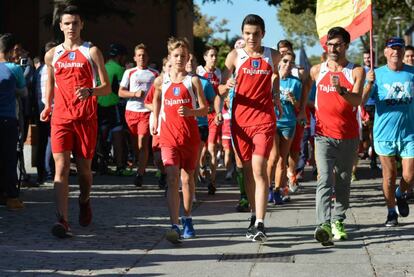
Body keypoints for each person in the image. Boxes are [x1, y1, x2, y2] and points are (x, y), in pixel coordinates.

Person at [40, 5, 110, 238]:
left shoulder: (92, 52)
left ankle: (84, 199)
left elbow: (107, 88)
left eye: (75, 23)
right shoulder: (52, 55)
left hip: (85, 118)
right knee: (60, 169)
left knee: (84, 172)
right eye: (67, 23)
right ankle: (63, 221)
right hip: (61, 118)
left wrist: (90, 91)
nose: (71, 27)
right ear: (60, 26)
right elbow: (50, 82)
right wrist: (47, 106)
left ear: (82, 25)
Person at [219, 14, 281, 242]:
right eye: (247, 33)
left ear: (263, 34)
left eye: (255, 34)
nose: (251, 38)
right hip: (239, 122)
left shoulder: (272, 55)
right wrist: (226, 86)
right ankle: (254, 216)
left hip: (264, 120)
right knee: (246, 170)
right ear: (242, 34)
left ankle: (262, 224)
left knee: (258, 167)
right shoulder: (235, 56)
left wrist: (275, 95)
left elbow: (275, 76)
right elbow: (220, 88)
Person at [310, 27, 365, 245]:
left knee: (342, 181)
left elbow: (357, 100)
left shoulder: (355, 71)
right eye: (329, 44)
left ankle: (338, 220)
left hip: (348, 136)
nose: (333, 48)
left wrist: (342, 90)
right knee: (324, 178)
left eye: (338, 44)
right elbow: (307, 96)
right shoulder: (317, 71)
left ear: (346, 46)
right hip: (323, 136)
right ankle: (323, 223)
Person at [152, 37, 208, 243]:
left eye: (183, 56)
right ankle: (174, 224)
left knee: (187, 179)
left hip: (189, 137)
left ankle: (188, 218)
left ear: (188, 58)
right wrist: (155, 119)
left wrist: (191, 111)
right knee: (172, 177)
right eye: (176, 56)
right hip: (168, 137)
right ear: (169, 57)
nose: (179, 59)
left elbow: (205, 108)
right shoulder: (161, 80)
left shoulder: (192, 81)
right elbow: (155, 99)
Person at [362, 37, 414, 227]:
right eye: (392, 48)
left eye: (399, 48)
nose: (396, 52)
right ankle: (391, 212)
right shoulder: (377, 75)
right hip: (385, 134)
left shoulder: (412, 73)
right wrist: (368, 84)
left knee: (409, 175)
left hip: (409, 133)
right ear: (385, 52)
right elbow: (361, 100)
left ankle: (400, 194)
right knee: (389, 175)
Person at [119, 43, 158, 187]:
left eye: (144, 55)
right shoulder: (129, 72)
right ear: (135, 57)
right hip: (131, 111)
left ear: (147, 57)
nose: (142, 57)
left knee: (143, 144)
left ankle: (140, 174)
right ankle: (139, 164)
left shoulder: (155, 74)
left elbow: (159, 92)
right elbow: (120, 92)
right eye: (139, 55)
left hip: (147, 112)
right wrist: (134, 93)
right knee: (135, 145)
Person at [267, 51, 302, 205]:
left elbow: (299, 106)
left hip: (289, 122)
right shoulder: (272, 79)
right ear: (279, 62)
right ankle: (267, 189)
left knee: (283, 159)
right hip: (273, 121)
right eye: (285, 61)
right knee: (273, 157)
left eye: (291, 62)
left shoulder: (296, 83)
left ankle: (277, 191)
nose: (288, 65)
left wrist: (293, 99)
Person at [0, 33, 27, 210]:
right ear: (11, 51)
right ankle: (11, 197)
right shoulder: (14, 68)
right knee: (9, 159)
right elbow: (24, 93)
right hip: (8, 119)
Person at [96, 43, 131, 176]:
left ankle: (101, 163)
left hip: (99, 105)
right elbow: (121, 91)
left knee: (101, 136)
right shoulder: (120, 69)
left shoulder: (103, 67)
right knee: (118, 136)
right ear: (120, 56)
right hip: (113, 105)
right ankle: (120, 166)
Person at [196, 45, 221, 194]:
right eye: (211, 55)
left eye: (216, 55)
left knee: (212, 148)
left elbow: (221, 92)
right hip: (201, 116)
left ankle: (212, 182)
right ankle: (201, 166)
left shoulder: (219, 73)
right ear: (205, 57)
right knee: (202, 149)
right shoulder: (198, 72)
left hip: (215, 115)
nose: (214, 58)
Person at [34, 41, 57, 185]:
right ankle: (49, 173)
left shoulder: (39, 69)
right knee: (50, 140)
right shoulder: (52, 69)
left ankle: (41, 172)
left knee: (42, 141)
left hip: (39, 107)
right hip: (50, 107)